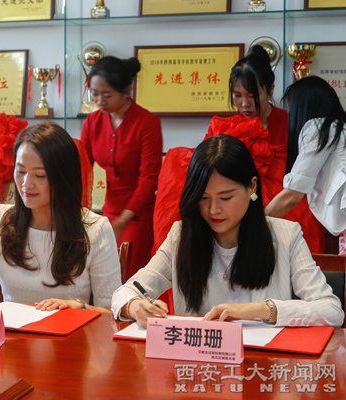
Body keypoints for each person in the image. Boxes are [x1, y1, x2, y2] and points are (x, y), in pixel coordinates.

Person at [112, 134, 343, 328]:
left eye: (225, 197)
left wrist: (262, 310)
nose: (214, 209)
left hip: (262, 362)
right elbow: (125, 292)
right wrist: (134, 306)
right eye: (204, 198)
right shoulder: (181, 236)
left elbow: (331, 310)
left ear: (252, 187)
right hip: (197, 362)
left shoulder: (285, 235)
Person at [0, 122, 122, 312]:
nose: (26, 184)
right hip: (13, 332)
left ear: (63, 177)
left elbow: (112, 312)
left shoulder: (95, 228)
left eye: (40, 175)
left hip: (72, 332)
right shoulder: (0, 220)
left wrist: (79, 307)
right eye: (20, 171)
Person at [153, 45, 325, 257]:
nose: (244, 104)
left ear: (270, 90)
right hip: (233, 216)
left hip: (285, 210)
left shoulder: (292, 123)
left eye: (252, 96)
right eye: (237, 96)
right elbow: (204, 168)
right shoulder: (224, 128)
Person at [80, 56, 162, 278]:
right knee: (103, 277)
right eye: (95, 94)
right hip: (108, 212)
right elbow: (82, 167)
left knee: (130, 276)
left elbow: (149, 179)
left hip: (138, 215)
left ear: (126, 91)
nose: (100, 101)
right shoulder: (92, 122)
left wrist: (123, 220)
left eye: (107, 95)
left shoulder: (147, 123)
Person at [266, 76, 346, 254]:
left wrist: (257, 221)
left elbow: (292, 195)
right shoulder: (339, 128)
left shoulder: (318, 127)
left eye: (290, 109)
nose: (289, 115)